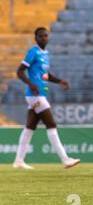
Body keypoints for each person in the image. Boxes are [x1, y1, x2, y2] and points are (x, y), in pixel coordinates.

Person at [13, 27, 80, 170]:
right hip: (34, 96)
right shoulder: (33, 52)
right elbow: (20, 71)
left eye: (46, 36)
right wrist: (30, 84)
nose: (44, 38)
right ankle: (65, 159)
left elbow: (45, 75)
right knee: (51, 124)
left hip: (40, 94)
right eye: (41, 36)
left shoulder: (45, 54)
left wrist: (59, 81)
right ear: (36, 37)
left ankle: (19, 161)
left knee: (29, 128)